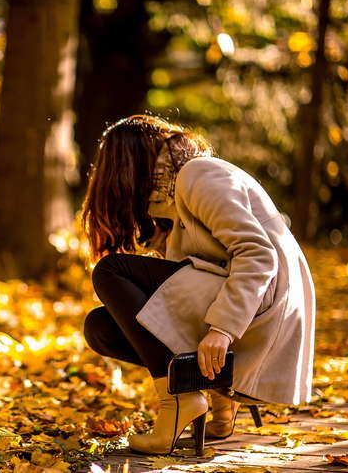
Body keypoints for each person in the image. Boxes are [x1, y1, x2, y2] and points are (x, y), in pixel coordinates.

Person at [81, 114, 315, 455]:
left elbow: (257, 253)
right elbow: (183, 285)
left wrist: (222, 330)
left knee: (110, 271)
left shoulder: (199, 173)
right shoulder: (173, 195)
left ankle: (178, 400)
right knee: (101, 326)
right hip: (256, 305)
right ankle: (217, 393)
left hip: (268, 309)